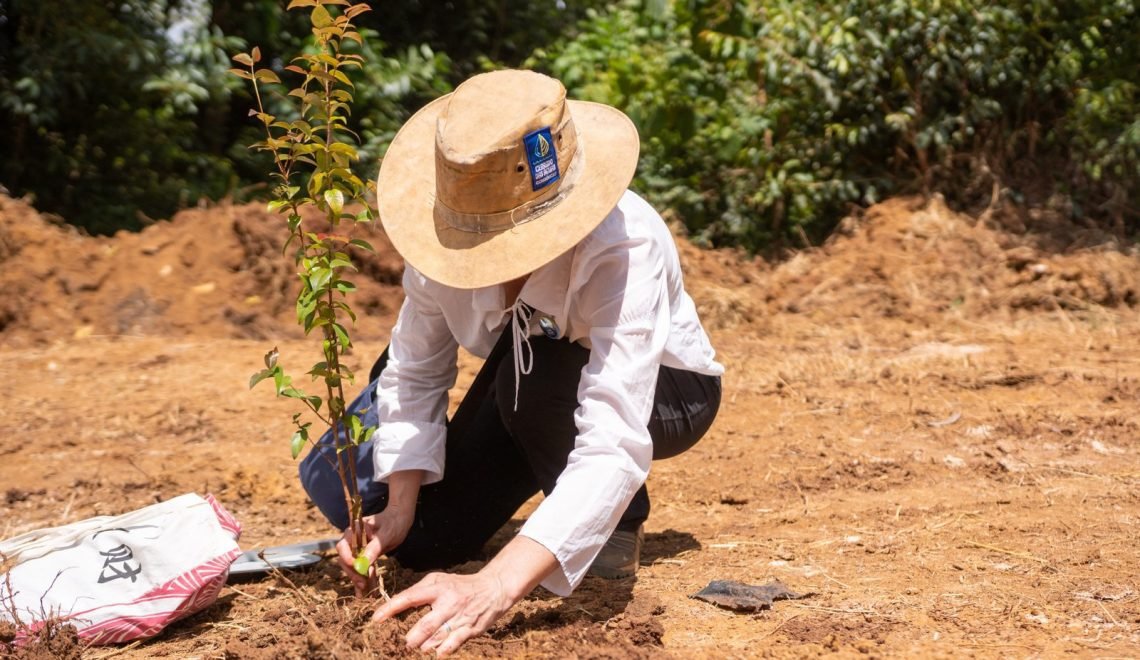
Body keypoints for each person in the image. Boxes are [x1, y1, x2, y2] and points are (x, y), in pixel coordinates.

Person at [299, 69, 724, 655]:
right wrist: (399, 508)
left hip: (667, 391)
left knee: (541, 379)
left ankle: (616, 529)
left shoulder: (626, 244)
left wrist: (497, 584)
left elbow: (614, 433)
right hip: (528, 379)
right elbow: (415, 367)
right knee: (425, 541)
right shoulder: (438, 242)